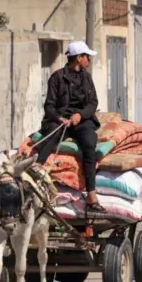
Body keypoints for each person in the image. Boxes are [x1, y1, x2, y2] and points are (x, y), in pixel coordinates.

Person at [35, 41, 105, 212]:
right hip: (59, 122)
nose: (88, 59)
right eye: (86, 56)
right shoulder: (57, 77)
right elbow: (49, 106)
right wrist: (60, 118)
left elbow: (93, 103)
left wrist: (79, 116)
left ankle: (91, 194)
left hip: (81, 121)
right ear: (78, 58)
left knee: (89, 144)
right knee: (50, 138)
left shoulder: (86, 77)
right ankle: (35, 175)